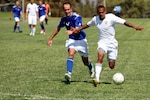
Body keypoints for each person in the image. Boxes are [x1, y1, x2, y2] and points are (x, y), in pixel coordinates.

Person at [67, 5, 144, 87]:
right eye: (99, 13)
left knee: (111, 66)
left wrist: (134, 27)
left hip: (112, 44)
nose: (101, 14)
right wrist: (77, 29)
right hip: (102, 42)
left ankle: (109, 58)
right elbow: (87, 25)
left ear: (105, 12)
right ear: (97, 13)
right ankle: (97, 79)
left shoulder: (111, 17)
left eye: (102, 12)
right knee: (100, 56)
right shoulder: (95, 19)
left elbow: (124, 22)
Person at [47, 2, 94, 84]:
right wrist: (51, 39)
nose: (67, 11)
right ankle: (69, 74)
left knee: (85, 62)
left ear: (71, 9)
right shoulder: (64, 19)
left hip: (81, 40)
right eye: (65, 10)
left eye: (68, 9)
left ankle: (90, 66)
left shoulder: (77, 17)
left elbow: (77, 29)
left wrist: (71, 32)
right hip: (72, 40)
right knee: (71, 53)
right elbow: (58, 28)